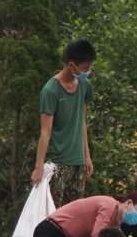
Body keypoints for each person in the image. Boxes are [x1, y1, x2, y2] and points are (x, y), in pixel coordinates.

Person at [30, 39, 96, 201]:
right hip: (57, 163)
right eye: (85, 68)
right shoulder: (51, 91)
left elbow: (82, 120)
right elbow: (45, 132)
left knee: (75, 212)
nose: (88, 71)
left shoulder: (84, 85)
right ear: (71, 65)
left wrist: (86, 156)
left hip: (78, 161)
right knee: (55, 214)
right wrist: (38, 168)